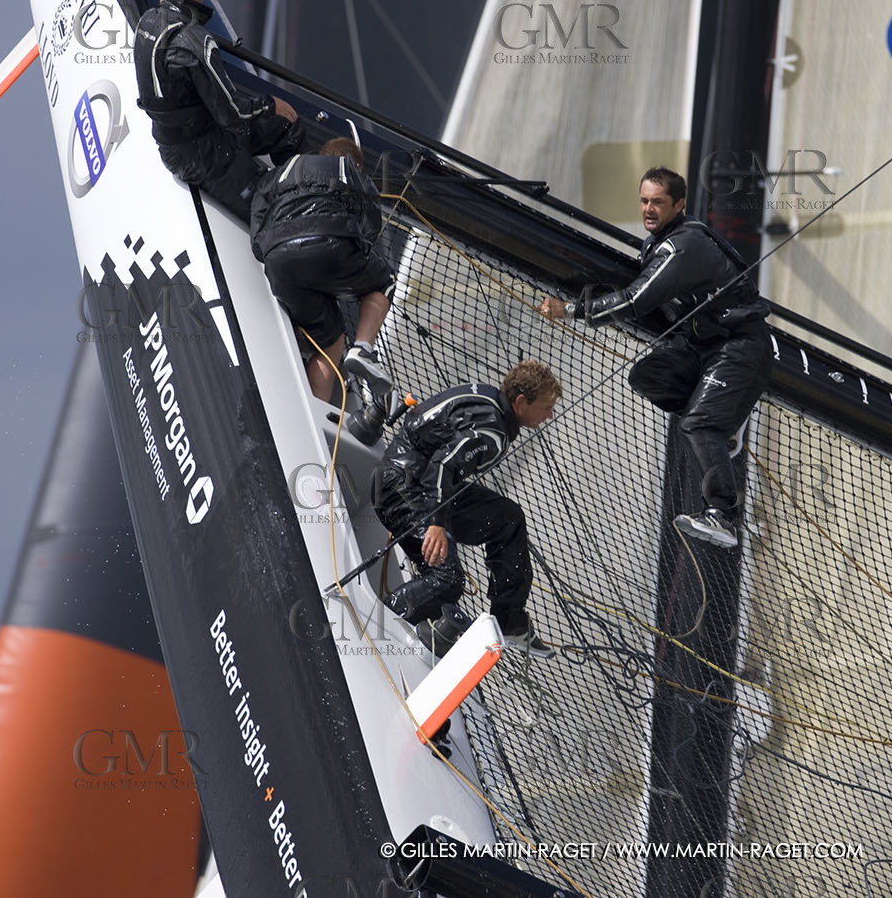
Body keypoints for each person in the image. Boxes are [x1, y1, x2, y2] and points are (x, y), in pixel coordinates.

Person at [540, 167, 770, 549]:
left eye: (658, 202)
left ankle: (722, 515)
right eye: (644, 201)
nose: (648, 209)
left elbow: (634, 300)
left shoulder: (683, 246)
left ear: (679, 205)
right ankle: (722, 417)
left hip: (738, 344)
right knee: (649, 375)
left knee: (697, 424)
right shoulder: (657, 243)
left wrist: (570, 310)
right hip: (701, 344)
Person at [372, 361, 562, 657]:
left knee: (508, 519)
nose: (549, 415)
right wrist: (437, 523)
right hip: (402, 489)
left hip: (417, 481)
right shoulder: (492, 431)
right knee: (447, 580)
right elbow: (442, 465)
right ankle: (377, 629)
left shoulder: (488, 399)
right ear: (521, 401)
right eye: (546, 407)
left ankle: (509, 621)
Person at [134, 0, 303, 222]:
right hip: (201, 152)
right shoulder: (196, 42)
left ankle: (284, 181)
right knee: (272, 208)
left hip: (170, 142)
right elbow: (233, 115)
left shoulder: (147, 21)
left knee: (277, 129)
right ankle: (290, 200)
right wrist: (271, 104)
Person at [250, 134, 396, 442]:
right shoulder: (347, 170)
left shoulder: (281, 172)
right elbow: (368, 229)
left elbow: (257, 227)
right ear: (356, 163)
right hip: (330, 243)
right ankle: (362, 350)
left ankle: (303, 429)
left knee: (328, 340)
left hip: (279, 260)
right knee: (384, 283)